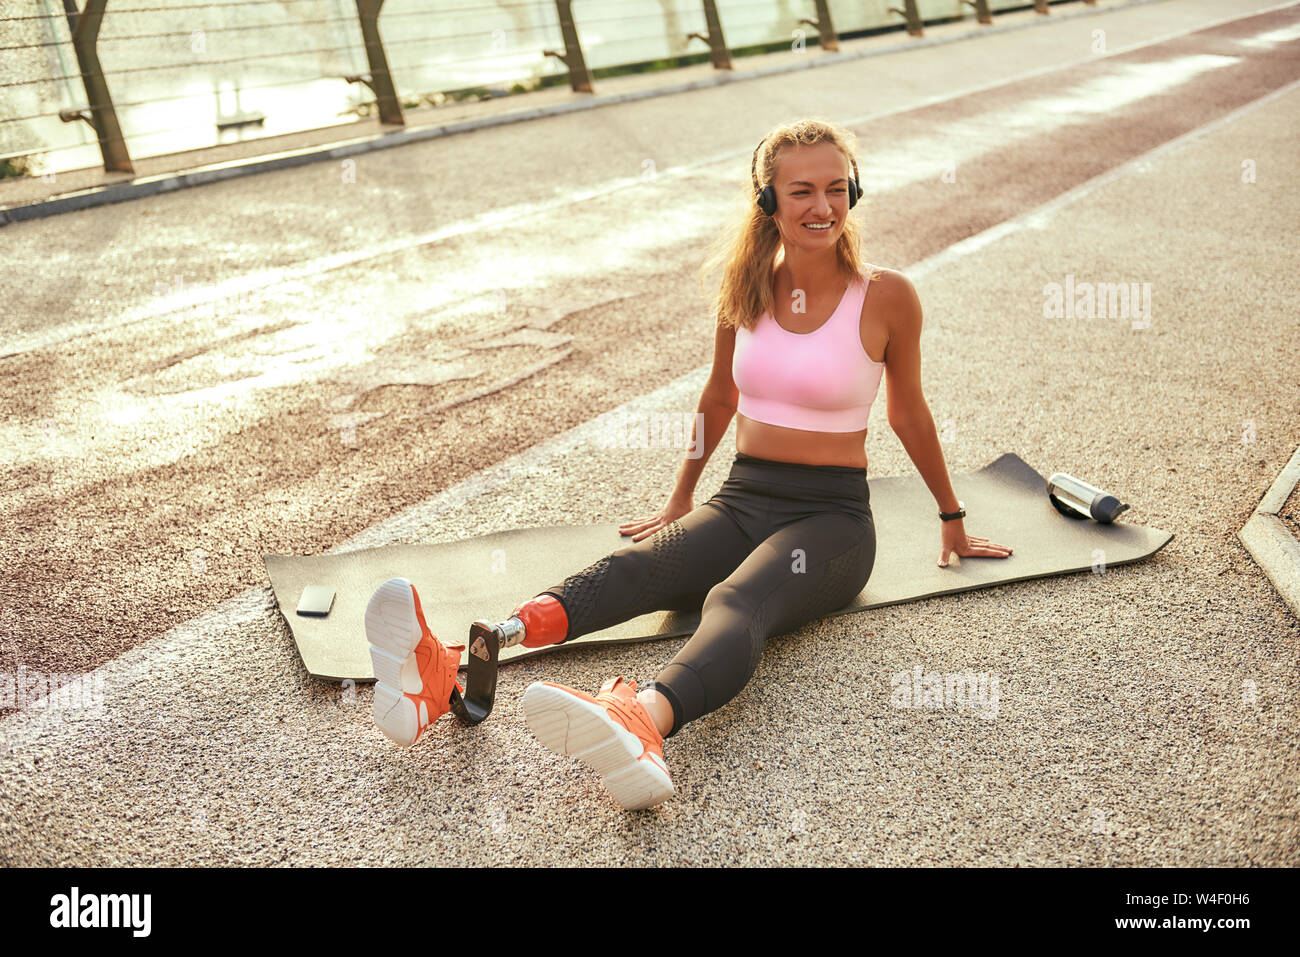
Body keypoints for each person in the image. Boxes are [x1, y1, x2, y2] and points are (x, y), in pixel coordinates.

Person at [364, 117, 1013, 811]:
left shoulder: (887, 296)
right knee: (639, 568)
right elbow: (720, 394)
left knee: (734, 601)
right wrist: (681, 498)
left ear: (853, 190)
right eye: (801, 191)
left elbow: (907, 413)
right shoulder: (748, 286)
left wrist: (951, 516)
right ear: (768, 201)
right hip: (743, 498)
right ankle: (451, 672)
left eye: (835, 189)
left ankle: (644, 718)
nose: (822, 207)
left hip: (833, 522)